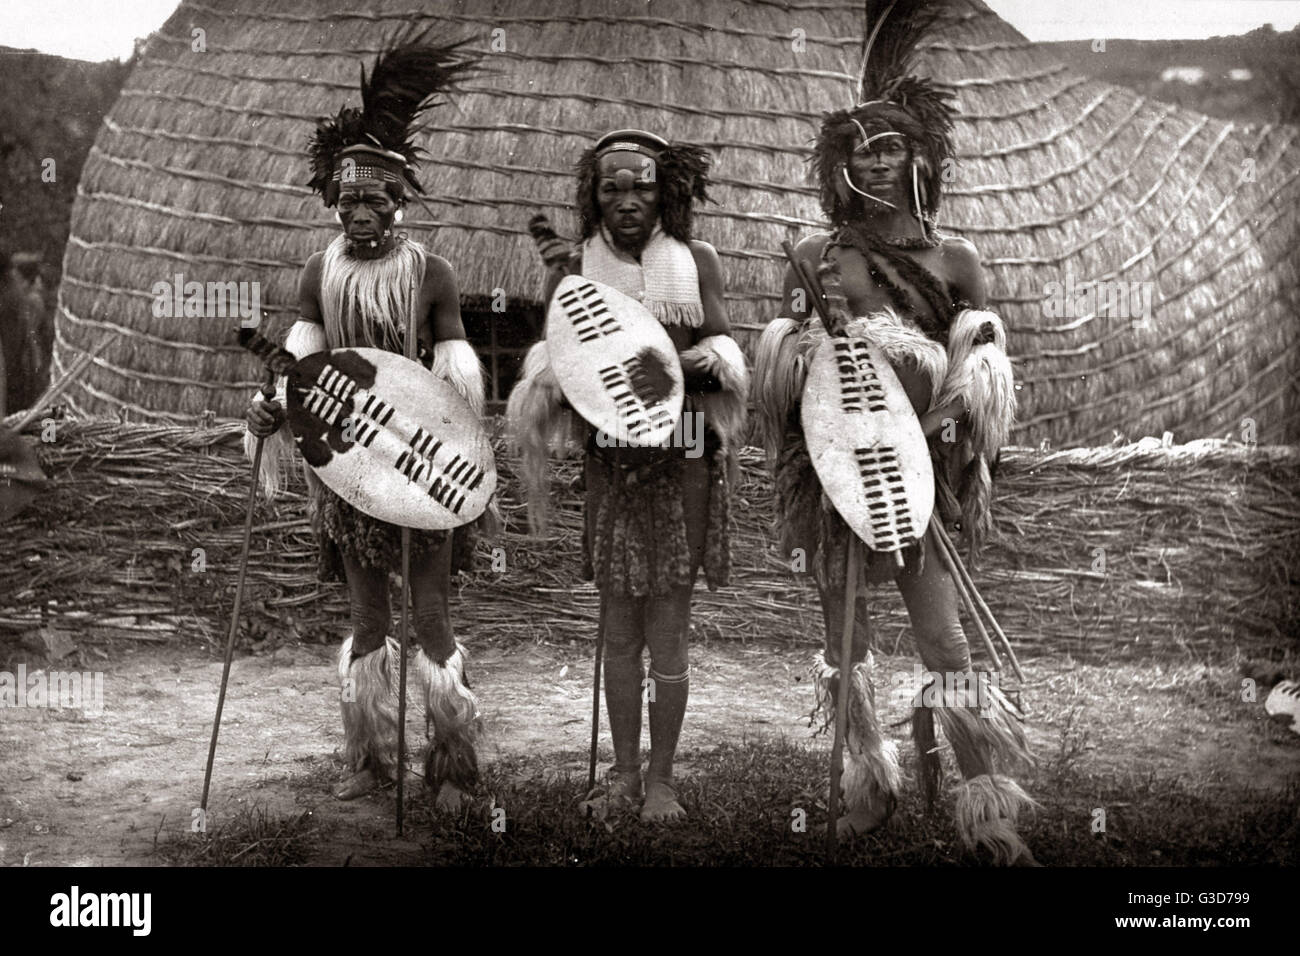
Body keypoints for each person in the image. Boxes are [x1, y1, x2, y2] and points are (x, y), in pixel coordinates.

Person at [753, 1, 1036, 863]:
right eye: (861, 147)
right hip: (842, 467)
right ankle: (867, 787)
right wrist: (813, 349)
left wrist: (947, 415)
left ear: (922, 155)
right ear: (842, 163)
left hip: (923, 477)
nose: (875, 157)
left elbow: (979, 369)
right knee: (846, 636)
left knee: (944, 637)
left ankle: (990, 813)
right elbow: (790, 369)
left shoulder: (957, 263)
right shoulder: (815, 255)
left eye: (891, 144)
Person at [243, 37, 488, 809]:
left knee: (433, 612)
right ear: (332, 201)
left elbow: (456, 374)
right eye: (347, 201)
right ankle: (370, 757)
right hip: (348, 469)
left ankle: (452, 762)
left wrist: (442, 441)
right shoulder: (321, 273)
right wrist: (272, 410)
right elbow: (301, 361)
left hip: (417, 465)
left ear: (400, 201)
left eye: (373, 201)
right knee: (367, 615)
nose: (358, 213)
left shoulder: (432, 274)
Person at [508, 130, 749, 822]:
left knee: (668, 628)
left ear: (663, 190)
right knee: (618, 629)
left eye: (639, 185)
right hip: (612, 466)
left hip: (686, 463)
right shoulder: (575, 267)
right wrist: (553, 383)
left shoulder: (695, 260)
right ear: (593, 196)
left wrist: (707, 363)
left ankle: (663, 779)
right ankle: (621, 772)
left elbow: (723, 338)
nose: (625, 201)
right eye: (610, 187)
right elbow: (558, 358)